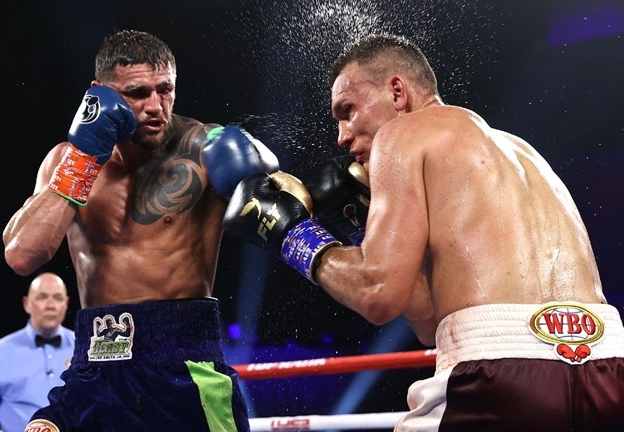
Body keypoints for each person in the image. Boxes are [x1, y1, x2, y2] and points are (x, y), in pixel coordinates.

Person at [223, 33, 624, 431]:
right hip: (607, 365)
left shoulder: (402, 134)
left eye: (347, 111)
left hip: (501, 374)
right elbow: (433, 322)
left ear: (397, 92)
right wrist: (362, 232)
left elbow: (376, 293)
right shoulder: (523, 152)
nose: (342, 135)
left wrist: (290, 233)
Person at [2, 30, 279, 431]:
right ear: (99, 94)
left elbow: (276, 185)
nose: (155, 107)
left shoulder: (202, 149)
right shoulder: (67, 160)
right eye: (136, 93)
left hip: (185, 371)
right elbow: (22, 255)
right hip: (92, 370)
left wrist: (258, 158)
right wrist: (84, 159)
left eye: (164, 89)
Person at [0, 273, 74, 432]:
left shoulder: (82, 349)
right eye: (42, 297)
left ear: (66, 303)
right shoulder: (0, 352)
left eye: (57, 298)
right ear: (27, 304)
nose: (51, 305)